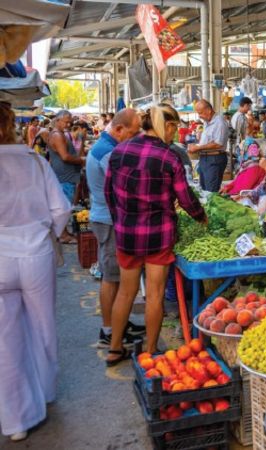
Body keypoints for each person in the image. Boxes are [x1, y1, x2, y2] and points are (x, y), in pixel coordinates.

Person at [104, 104, 207, 364]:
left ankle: (115, 348)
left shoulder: (119, 151)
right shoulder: (168, 157)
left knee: (125, 292)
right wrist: (200, 216)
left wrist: (120, 222)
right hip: (158, 235)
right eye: (175, 128)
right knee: (155, 294)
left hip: (127, 234)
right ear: (167, 126)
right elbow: (185, 197)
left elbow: (109, 194)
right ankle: (150, 351)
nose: (175, 134)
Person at [0, 102, 71, 442]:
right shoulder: (34, 161)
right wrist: (48, 234)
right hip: (36, 253)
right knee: (43, 326)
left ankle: (16, 419)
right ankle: (44, 392)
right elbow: (61, 209)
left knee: (5, 338)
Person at [85, 108, 145, 349]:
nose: (136, 137)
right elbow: (125, 188)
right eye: (133, 132)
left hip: (107, 217)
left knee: (117, 277)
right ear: (119, 129)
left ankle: (119, 323)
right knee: (110, 277)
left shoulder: (106, 146)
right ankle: (109, 332)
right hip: (109, 220)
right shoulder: (108, 153)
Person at [47, 110, 85, 241]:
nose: (68, 125)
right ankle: (62, 234)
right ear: (58, 120)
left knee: (65, 206)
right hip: (64, 176)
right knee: (63, 207)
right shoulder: (57, 135)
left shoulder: (60, 134)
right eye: (66, 122)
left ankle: (64, 232)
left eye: (70, 122)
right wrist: (82, 160)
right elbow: (65, 157)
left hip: (65, 175)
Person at [189, 99, 229, 192]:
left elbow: (218, 144)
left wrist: (198, 147)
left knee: (210, 192)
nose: (199, 116)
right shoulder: (207, 122)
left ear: (209, 110)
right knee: (203, 191)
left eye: (200, 113)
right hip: (205, 159)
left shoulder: (219, 122)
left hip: (214, 159)